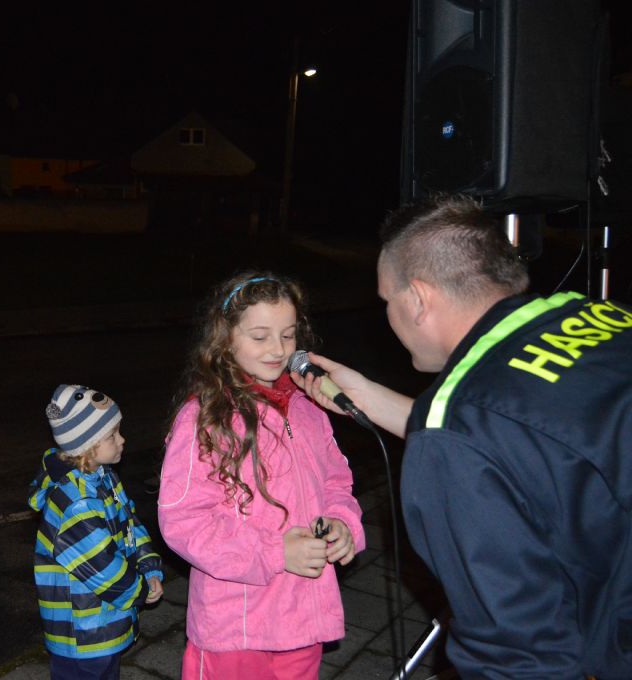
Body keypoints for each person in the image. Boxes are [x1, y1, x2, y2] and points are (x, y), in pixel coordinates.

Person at [294, 194, 632, 678]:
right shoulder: (591, 314)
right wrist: (370, 398)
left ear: (418, 299)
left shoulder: (456, 434)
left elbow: (518, 655)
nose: (386, 316)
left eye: (387, 301)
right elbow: (531, 436)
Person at [157, 272, 365, 680]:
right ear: (225, 339)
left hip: (304, 618)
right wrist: (275, 553)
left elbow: (336, 482)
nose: (278, 349)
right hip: (238, 627)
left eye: (288, 335)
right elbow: (184, 521)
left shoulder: (308, 407)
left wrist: (343, 524)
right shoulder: (205, 419)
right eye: (260, 336)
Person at [28, 384, 164, 680]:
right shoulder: (77, 504)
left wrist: (149, 565)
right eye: (112, 435)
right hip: (83, 630)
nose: (122, 440)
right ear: (87, 447)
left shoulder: (103, 477)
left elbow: (130, 523)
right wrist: (140, 590)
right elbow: (103, 565)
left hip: (102, 618)